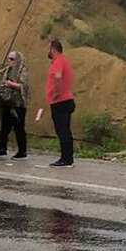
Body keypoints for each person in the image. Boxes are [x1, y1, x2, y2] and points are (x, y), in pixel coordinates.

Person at [46, 39, 76, 168]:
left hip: (60, 101)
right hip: (67, 100)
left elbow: (58, 77)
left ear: (53, 49)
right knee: (66, 130)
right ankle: (68, 157)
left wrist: (56, 93)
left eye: (49, 49)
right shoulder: (64, 61)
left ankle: (65, 158)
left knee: (62, 131)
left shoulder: (58, 61)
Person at [0, 51, 30, 159]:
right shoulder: (5, 71)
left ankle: (22, 151)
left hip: (18, 104)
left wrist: (11, 84)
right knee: (3, 127)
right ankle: (2, 148)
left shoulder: (23, 71)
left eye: (12, 59)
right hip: (6, 102)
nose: (9, 61)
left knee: (19, 128)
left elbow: (24, 87)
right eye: (8, 58)